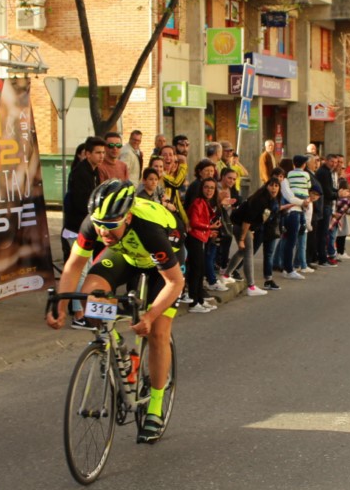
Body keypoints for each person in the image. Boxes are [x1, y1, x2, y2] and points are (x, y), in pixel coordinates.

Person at [46, 180, 184, 444]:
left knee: (157, 333)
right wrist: (61, 307)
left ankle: (155, 406)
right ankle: (120, 349)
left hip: (164, 266)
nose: (103, 231)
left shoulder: (149, 229)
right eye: (99, 225)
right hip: (127, 255)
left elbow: (175, 282)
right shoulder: (95, 222)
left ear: (128, 217)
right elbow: (74, 266)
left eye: (110, 226)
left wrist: (150, 316)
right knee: (89, 299)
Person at [62, 136, 104, 262]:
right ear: (87, 154)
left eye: (103, 152)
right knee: (81, 270)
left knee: (88, 267)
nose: (101, 156)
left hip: (86, 227)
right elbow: (81, 203)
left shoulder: (95, 171)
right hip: (76, 229)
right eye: (98, 152)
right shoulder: (80, 173)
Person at [185, 176, 221, 313]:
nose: (209, 190)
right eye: (206, 187)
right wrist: (209, 227)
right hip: (194, 239)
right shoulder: (198, 202)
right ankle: (194, 302)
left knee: (200, 271)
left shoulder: (205, 202)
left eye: (212, 188)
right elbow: (194, 222)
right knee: (196, 271)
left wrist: (208, 230)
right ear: (201, 188)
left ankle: (199, 300)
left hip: (201, 239)